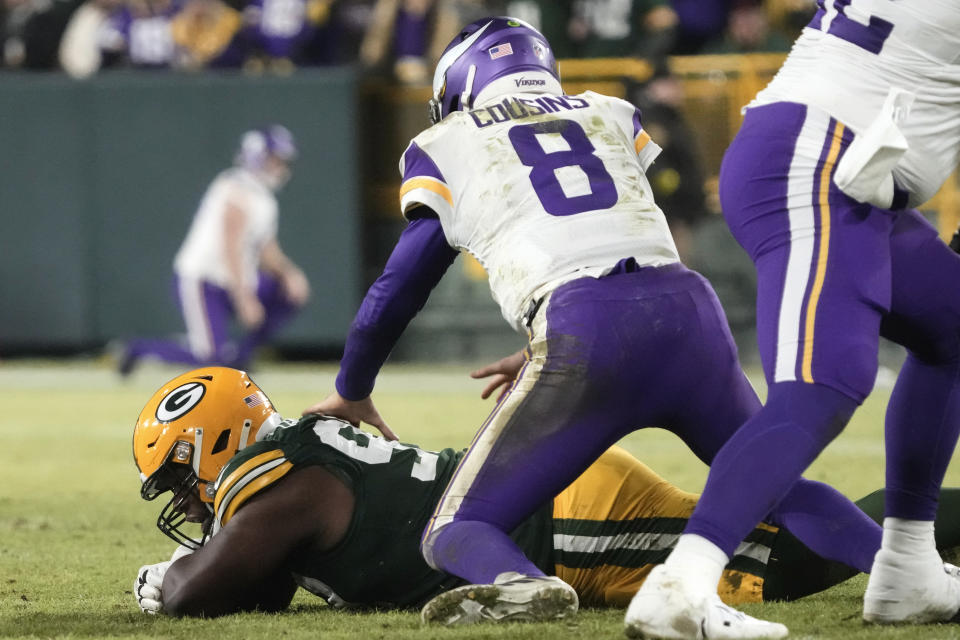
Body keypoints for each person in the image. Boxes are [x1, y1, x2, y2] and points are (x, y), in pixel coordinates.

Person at [301, 16, 894, 633]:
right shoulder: (609, 111)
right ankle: (901, 568)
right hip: (687, 310)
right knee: (776, 485)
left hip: (583, 332)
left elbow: (398, 287)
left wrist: (352, 387)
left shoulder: (447, 142)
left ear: (460, 87)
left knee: (455, 529)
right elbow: (606, 231)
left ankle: (524, 585)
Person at [626, 2, 960, 638]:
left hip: (831, 157)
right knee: (822, 385)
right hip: (821, 161)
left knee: (952, 324)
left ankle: (910, 570)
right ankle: (682, 586)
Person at [130, 367, 960, 618]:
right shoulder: (294, 467)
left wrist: (160, 577)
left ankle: (928, 533)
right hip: (544, 502)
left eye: (179, 472)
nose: (186, 498)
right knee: (784, 539)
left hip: (563, 520)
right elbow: (256, 591)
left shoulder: (281, 489)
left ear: (217, 445)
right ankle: (921, 535)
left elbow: (192, 596)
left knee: (788, 562)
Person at [119, 125, 309, 375]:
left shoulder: (264, 197)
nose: (280, 166)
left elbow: (265, 249)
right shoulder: (235, 187)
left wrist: (289, 273)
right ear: (257, 157)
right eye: (275, 159)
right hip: (203, 281)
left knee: (287, 294)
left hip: (232, 281)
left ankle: (241, 358)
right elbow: (231, 246)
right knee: (211, 360)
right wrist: (244, 298)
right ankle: (138, 349)